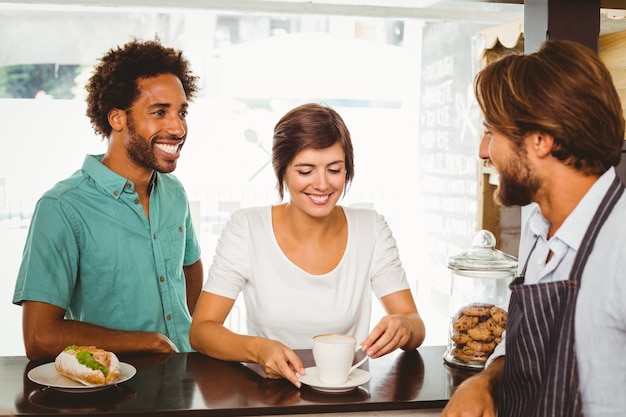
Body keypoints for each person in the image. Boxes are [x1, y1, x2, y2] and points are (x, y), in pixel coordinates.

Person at [441, 40, 626, 417]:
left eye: (492, 131)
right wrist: (485, 380)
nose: (482, 150)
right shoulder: (538, 227)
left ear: (541, 140)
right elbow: (527, 344)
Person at [190, 102, 426, 387]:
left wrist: (404, 327)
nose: (322, 184)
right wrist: (258, 349)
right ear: (283, 171)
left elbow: (415, 323)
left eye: (334, 169)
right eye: (305, 171)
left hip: (347, 398)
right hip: (272, 395)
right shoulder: (247, 228)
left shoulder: (371, 229)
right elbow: (202, 331)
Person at [12, 38, 204, 361]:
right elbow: (39, 337)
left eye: (181, 112)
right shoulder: (62, 207)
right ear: (117, 119)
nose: (178, 127)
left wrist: (192, 335)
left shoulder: (174, 192)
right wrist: (150, 342)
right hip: (110, 396)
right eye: (159, 112)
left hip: (184, 384)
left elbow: (190, 269)